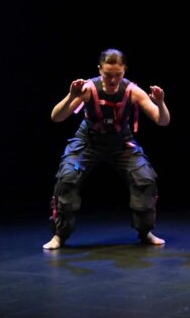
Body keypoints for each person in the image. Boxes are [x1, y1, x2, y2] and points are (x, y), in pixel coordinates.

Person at [43, 49, 170, 250]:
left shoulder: (133, 91)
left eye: (118, 75)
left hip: (121, 143)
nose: (112, 80)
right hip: (88, 141)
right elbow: (56, 117)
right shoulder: (88, 89)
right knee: (67, 178)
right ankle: (60, 235)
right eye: (107, 75)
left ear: (124, 70)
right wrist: (71, 96)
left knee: (145, 178)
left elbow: (162, 121)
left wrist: (160, 103)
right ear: (99, 70)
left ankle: (145, 231)